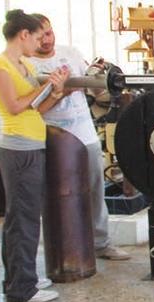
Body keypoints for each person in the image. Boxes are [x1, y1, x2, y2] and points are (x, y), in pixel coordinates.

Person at [0, 10, 69, 302]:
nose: (40, 42)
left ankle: (22, 277)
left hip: (33, 144)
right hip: (18, 149)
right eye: (36, 36)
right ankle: (22, 288)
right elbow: (16, 105)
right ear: (23, 35)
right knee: (23, 219)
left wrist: (56, 92)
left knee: (26, 216)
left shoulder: (23, 65)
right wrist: (48, 84)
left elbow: (36, 108)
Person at [29, 14, 130, 261]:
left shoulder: (70, 53)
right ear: (28, 36)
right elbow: (32, 105)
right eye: (39, 36)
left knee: (95, 190)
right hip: (52, 138)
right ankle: (63, 247)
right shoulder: (27, 64)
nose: (46, 40)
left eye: (49, 33)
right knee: (56, 194)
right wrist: (60, 92)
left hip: (85, 135)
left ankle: (101, 243)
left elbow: (94, 87)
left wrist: (101, 78)